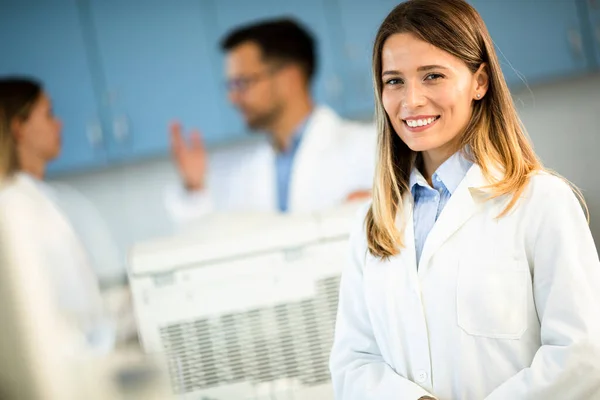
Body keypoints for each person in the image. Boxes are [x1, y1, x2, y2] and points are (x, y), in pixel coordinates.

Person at [329, 1, 600, 399]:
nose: (412, 100)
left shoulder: (541, 201)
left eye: (432, 76)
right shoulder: (375, 223)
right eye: (394, 81)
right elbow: (354, 361)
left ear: (480, 82)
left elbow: (583, 356)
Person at [165, 18, 376, 222]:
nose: (232, 98)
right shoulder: (247, 174)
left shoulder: (370, 146)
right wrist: (194, 187)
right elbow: (214, 239)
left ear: (289, 77)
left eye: (242, 83)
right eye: (230, 86)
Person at [0, 77, 115, 351]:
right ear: (19, 128)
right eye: (49, 113)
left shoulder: (36, 199)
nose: (59, 123)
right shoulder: (15, 207)